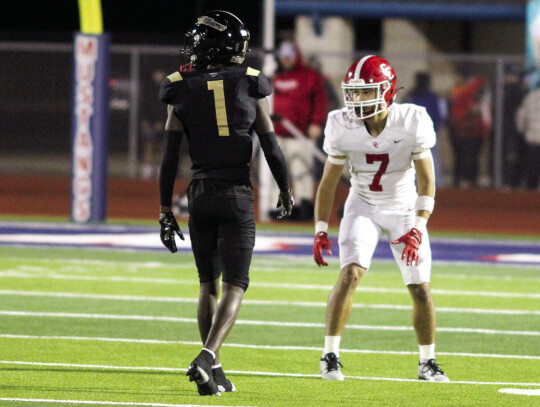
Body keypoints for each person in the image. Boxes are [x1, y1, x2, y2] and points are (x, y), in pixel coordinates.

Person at [157, 11, 294, 396]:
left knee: (207, 285)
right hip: (235, 193)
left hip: (198, 194)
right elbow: (270, 146)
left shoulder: (179, 87)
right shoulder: (250, 83)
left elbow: (169, 159)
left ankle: (214, 371)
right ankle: (207, 356)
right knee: (236, 285)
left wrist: (166, 211)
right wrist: (285, 188)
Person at [313, 55, 449, 382]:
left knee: (420, 287)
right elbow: (328, 183)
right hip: (362, 204)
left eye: (365, 92)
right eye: (354, 93)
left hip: (403, 206)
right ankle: (329, 355)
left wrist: (418, 227)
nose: (357, 100)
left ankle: (427, 362)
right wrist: (320, 230)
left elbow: (427, 181)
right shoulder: (341, 124)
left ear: (387, 91)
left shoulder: (413, 120)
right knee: (350, 274)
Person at [271, 40, 328, 220]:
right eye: (283, 57)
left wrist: (316, 123)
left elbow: (320, 100)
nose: (286, 60)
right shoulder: (275, 77)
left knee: (302, 170)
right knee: (277, 173)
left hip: (300, 134)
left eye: (289, 56)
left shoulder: (310, 76)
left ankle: (304, 205)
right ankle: (279, 205)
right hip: (277, 135)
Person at [447, 68, 491, 188]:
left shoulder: (474, 90)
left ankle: (469, 181)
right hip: (461, 130)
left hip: (471, 130)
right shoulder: (457, 91)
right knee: (462, 157)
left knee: (470, 157)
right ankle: (460, 180)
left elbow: (479, 109)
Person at [403, 72, 445, 186]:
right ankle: (414, 185)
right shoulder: (410, 96)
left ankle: (436, 186)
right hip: (412, 135)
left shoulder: (433, 98)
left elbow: (439, 116)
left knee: (432, 160)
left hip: (427, 134)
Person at [140, 69, 167, 179]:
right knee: (149, 145)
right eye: (156, 73)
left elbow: (168, 108)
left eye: (159, 73)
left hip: (162, 123)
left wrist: (162, 122)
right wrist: (145, 120)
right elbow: (145, 106)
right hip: (150, 122)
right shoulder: (149, 89)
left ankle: (162, 170)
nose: (157, 75)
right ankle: (147, 170)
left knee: (162, 146)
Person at [515, 83, 540, 190]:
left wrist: (522, 131)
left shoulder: (530, 97)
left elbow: (521, 115)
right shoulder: (530, 97)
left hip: (532, 138)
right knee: (533, 167)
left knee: (532, 168)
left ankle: (532, 193)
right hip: (532, 137)